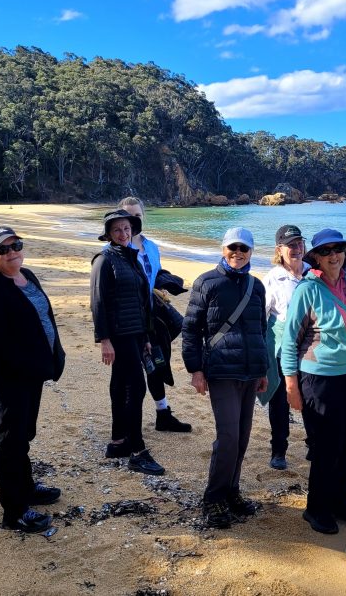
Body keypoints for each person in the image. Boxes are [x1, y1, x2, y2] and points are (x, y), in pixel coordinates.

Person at [281, 228, 346, 535]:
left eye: (338, 249)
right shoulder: (307, 290)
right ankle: (317, 508)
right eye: (326, 252)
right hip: (320, 379)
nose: (333, 255)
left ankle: (339, 500)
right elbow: (289, 341)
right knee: (326, 447)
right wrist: (291, 386)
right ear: (316, 258)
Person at [0, 226, 65, 533]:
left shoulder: (28, 276)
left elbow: (45, 318)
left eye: (16, 246)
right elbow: (2, 343)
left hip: (33, 372)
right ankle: (14, 512)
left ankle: (26, 488)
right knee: (11, 440)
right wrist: (35, 368)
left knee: (24, 433)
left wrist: (56, 354)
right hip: (9, 376)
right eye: (3, 249)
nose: (12, 253)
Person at [181, 227, 268, 529]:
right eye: (233, 248)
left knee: (242, 439)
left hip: (249, 372)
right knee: (228, 437)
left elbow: (261, 330)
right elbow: (191, 330)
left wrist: (263, 370)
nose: (238, 253)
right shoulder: (207, 282)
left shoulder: (256, 286)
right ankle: (213, 497)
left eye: (244, 248)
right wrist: (195, 370)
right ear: (223, 249)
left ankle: (231, 491)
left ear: (251, 252)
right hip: (220, 371)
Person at [90, 210, 165, 475]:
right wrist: (104, 340)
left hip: (134, 333)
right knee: (136, 387)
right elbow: (98, 303)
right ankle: (137, 450)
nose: (123, 234)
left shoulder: (131, 257)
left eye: (126, 229)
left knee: (120, 385)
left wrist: (145, 337)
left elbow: (141, 301)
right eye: (117, 230)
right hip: (118, 335)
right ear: (109, 234)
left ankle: (118, 441)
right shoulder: (104, 260)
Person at [116, 197, 191, 433]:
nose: (133, 220)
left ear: (142, 217)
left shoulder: (151, 247)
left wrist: (165, 282)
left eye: (137, 216)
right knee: (130, 374)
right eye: (128, 216)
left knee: (156, 363)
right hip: (128, 320)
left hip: (151, 316)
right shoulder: (115, 251)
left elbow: (153, 276)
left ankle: (163, 414)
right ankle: (126, 426)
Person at [261, 224, 308, 471]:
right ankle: (279, 449)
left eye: (299, 243)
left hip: (312, 348)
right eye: (291, 245)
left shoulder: (314, 273)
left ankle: (313, 444)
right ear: (280, 249)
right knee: (279, 401)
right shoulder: (272, 279)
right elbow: (263, 319)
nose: (297, 249)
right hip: (282, 349)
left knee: (312, 398)